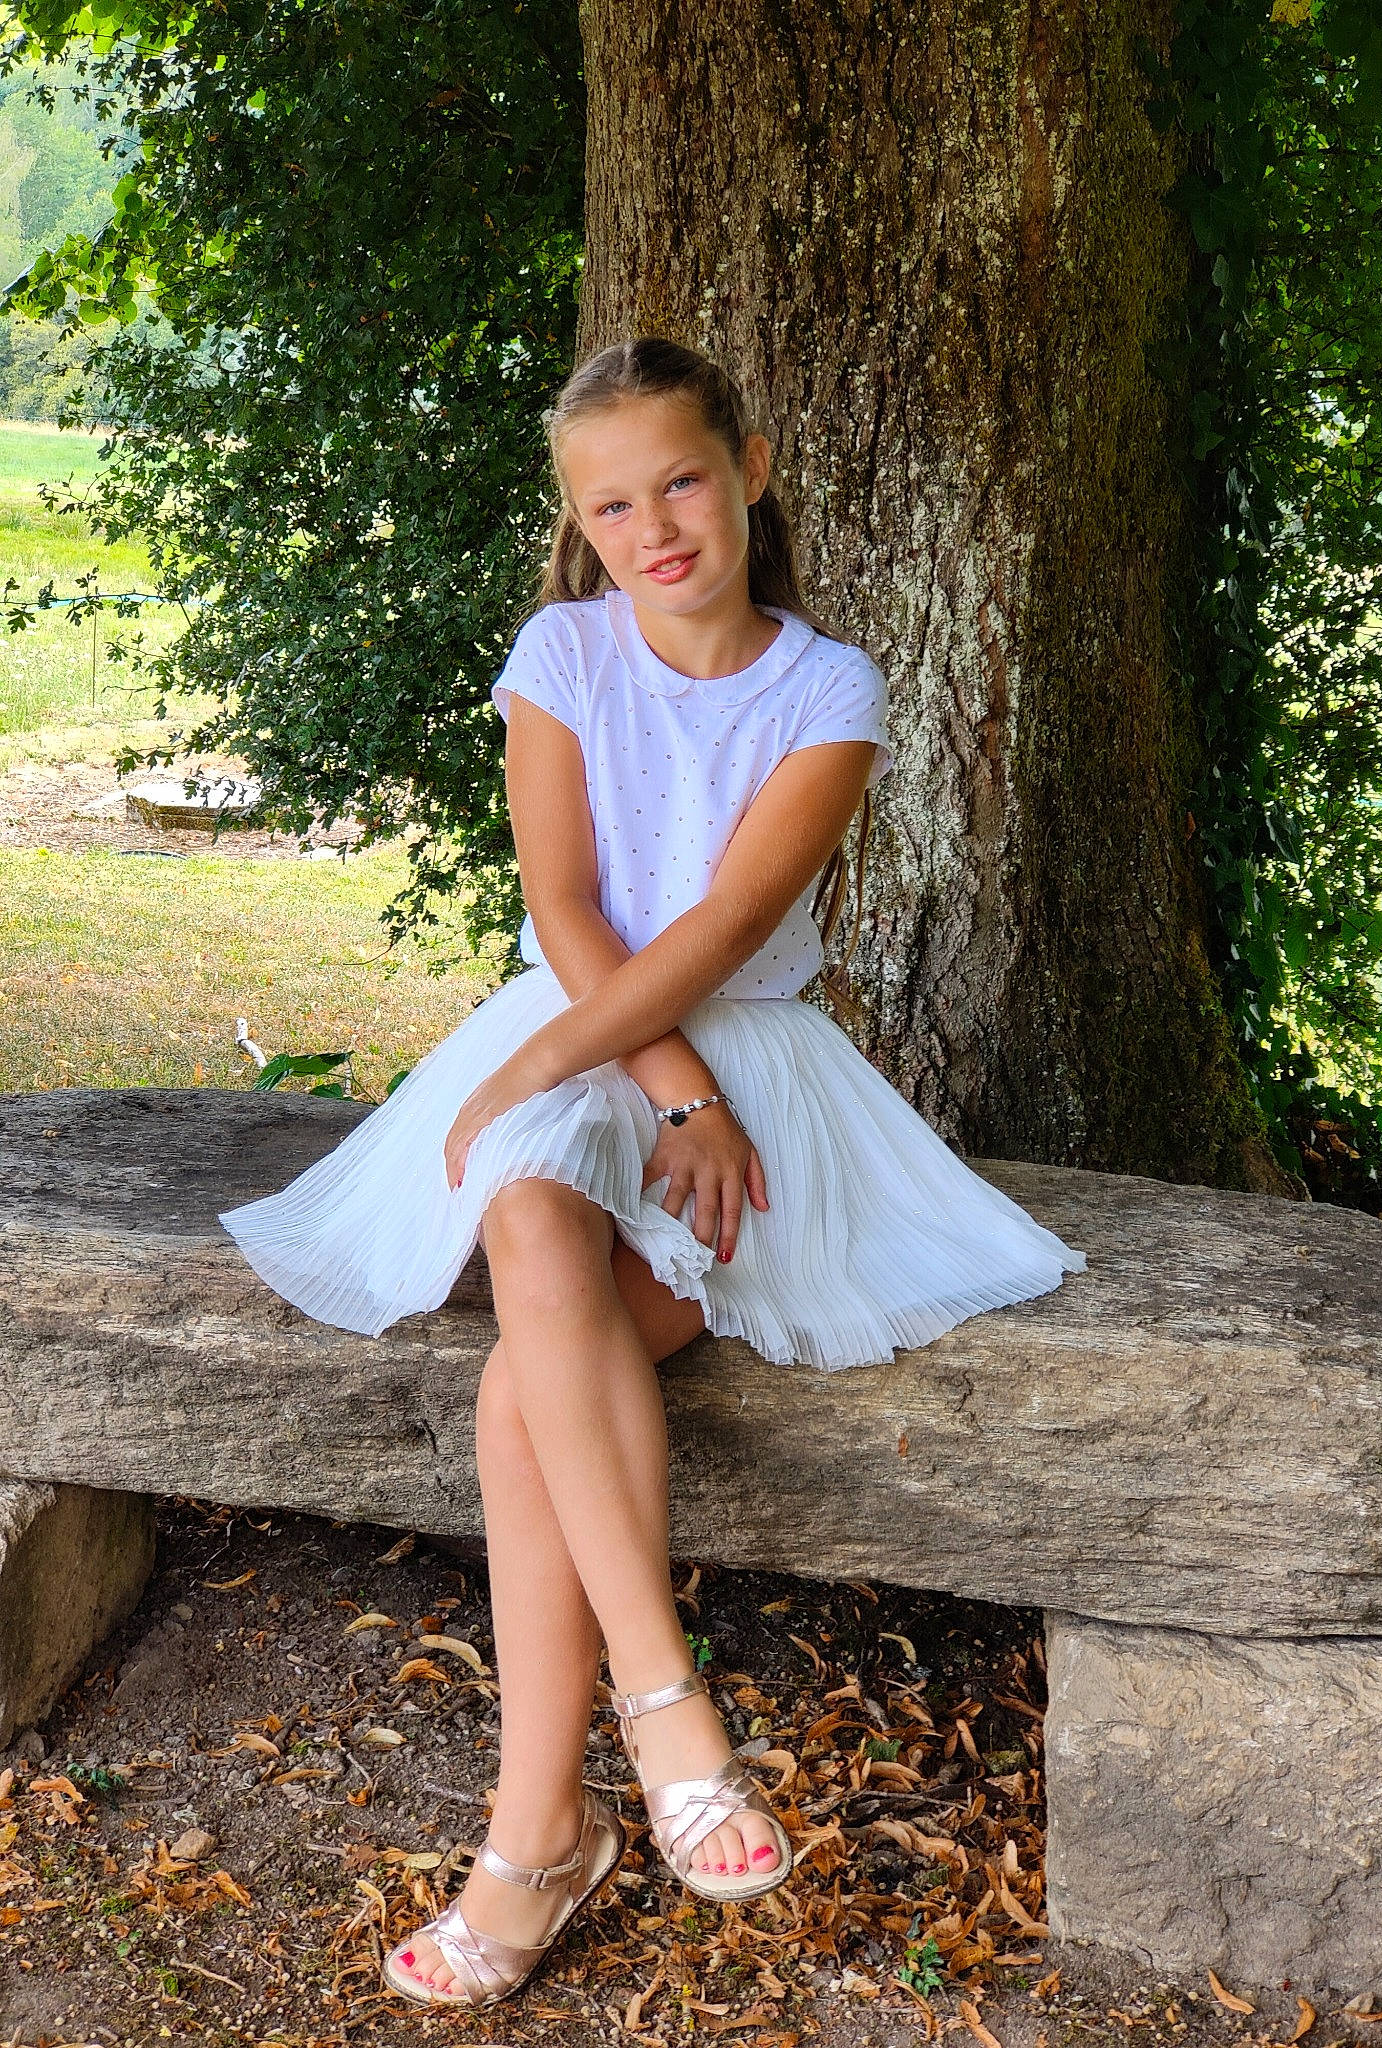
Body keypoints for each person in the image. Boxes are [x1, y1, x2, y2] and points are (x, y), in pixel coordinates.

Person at [219, 335, 1087, 2011]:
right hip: (602, 1030)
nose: (654, 526)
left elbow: (729, 927)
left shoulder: (827, 687)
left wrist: (599, 1071)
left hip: (748, 1055)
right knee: (529, 1207)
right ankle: (667, 1707)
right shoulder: (562, 652)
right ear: (580, 526)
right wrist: (621, 1078)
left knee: (516, 1402)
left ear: (751, 466)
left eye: (681, 480)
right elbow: (568, 904)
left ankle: (536, 1840)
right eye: (611, 504)